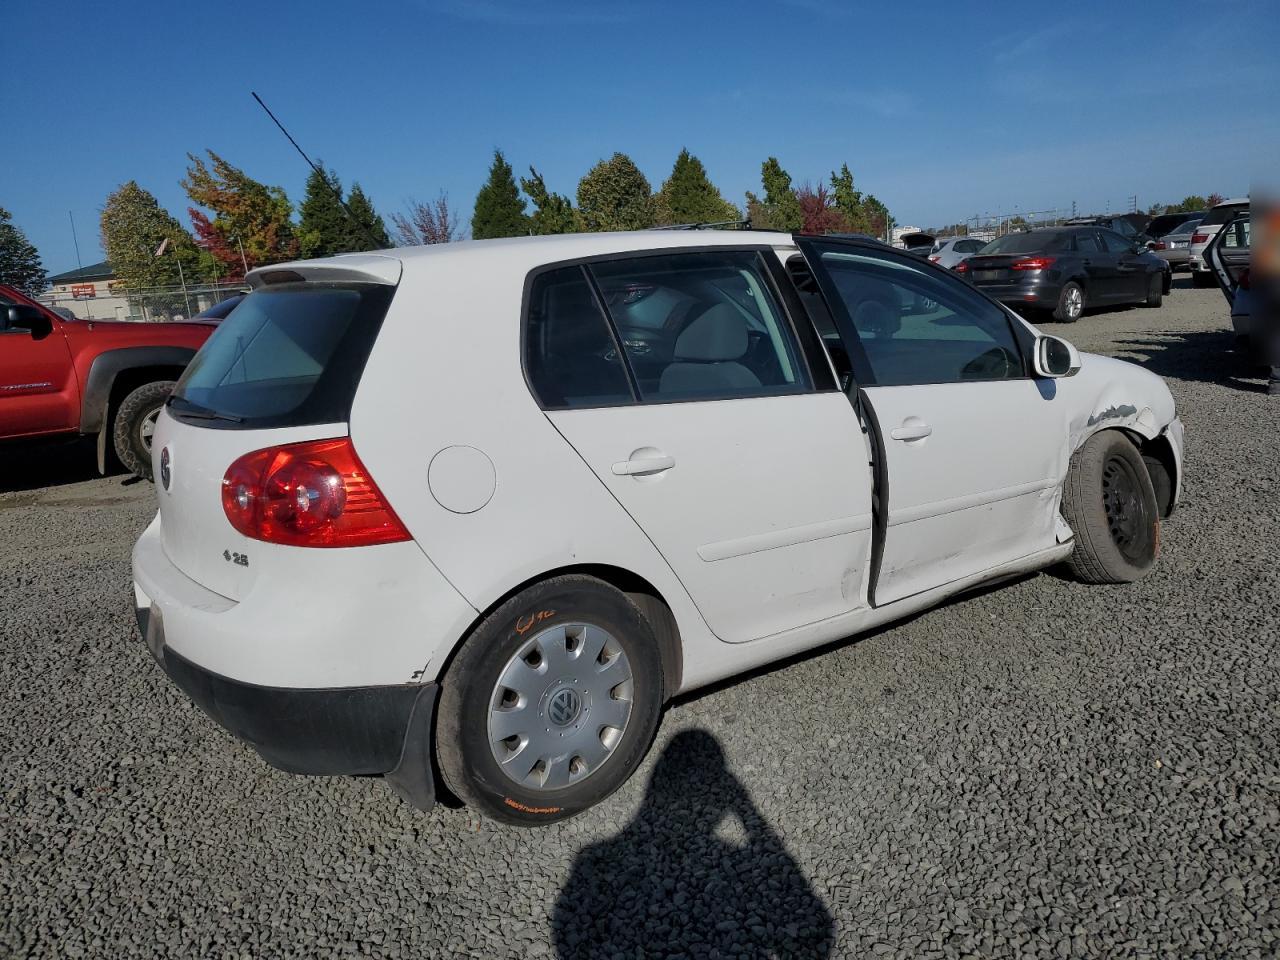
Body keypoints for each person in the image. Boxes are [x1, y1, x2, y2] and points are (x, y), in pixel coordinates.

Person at [553, 729, 835, 959]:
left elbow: (565, 935)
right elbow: (818, 925)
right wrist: (748, 812)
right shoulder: (734, 857)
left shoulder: (590, 859)